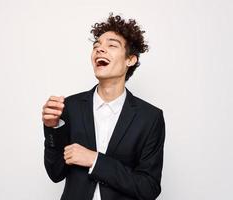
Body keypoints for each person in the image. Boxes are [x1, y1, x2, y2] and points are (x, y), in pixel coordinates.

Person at [42, 13, 165, 200]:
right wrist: (53, 128)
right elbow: (55, 173)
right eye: (96, 46)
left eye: (112, 45)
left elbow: (148, 188)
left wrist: (95, 160)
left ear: (130, 60)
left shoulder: (150, 117)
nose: (100, 50)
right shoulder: (70, 107)